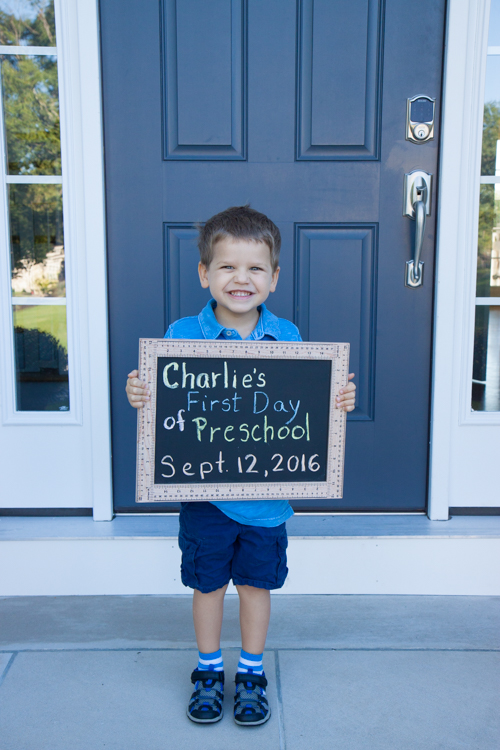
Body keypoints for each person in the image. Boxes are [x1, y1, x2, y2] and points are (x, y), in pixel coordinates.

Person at [125, 205, 356, 726]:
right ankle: (209, 668)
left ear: (274, 279)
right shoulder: (182, 334)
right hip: (204, 498)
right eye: (227, 267)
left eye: (255, 268)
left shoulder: (289, 338)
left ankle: (251, 671)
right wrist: (141, 392)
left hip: (267, 503)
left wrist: (335, 400)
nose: (241, 279)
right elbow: (164, 399)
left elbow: (307, 404)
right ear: (205, 274)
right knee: (207, 584)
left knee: (256, 585)